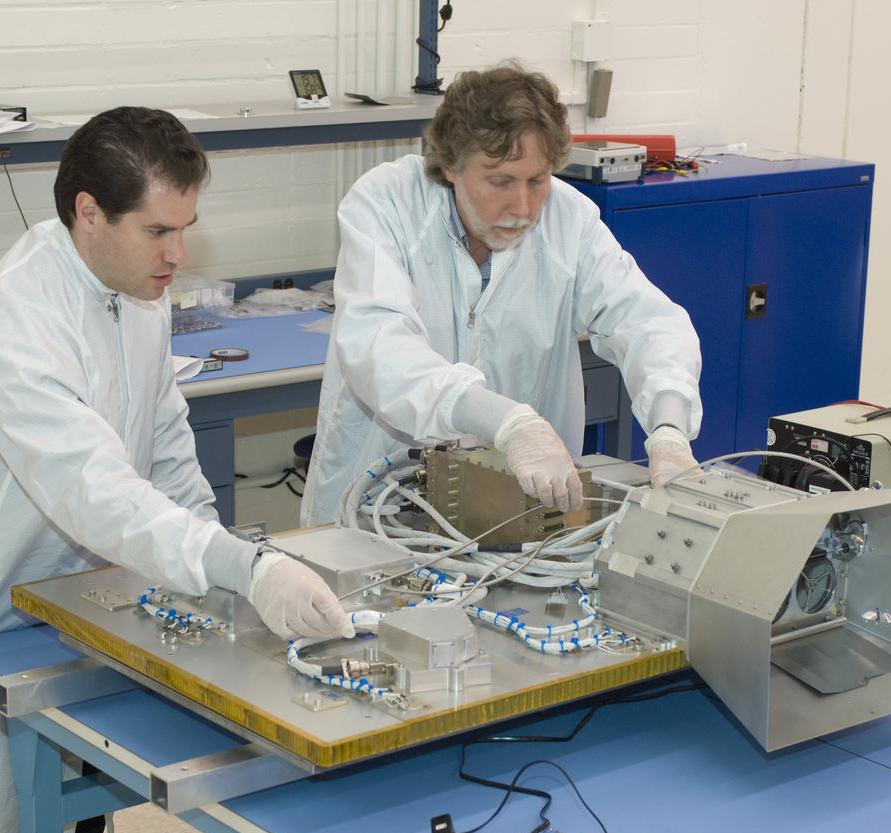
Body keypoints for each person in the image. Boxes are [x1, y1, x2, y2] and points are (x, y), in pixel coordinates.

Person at [0, 107, 352, 833]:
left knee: (64, 814)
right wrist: (245, 568)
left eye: (185, 228)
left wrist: (222, 556)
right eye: (159, 231)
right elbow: (98, 491)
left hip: (62, 600)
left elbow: (162, 445)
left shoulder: (137, 289)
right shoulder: (16, 327)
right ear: (88, 212)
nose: (178, 253)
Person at [301, 63, 703, 526]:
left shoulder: (569, 220)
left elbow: (648, 322)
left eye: (538, 180)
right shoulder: (387, 204)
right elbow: (379, 348)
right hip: (376, 506)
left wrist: (669, 431)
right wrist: (508, 423)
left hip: (517, 510)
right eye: (500, 181)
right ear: (450, 164)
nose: (524, 207)